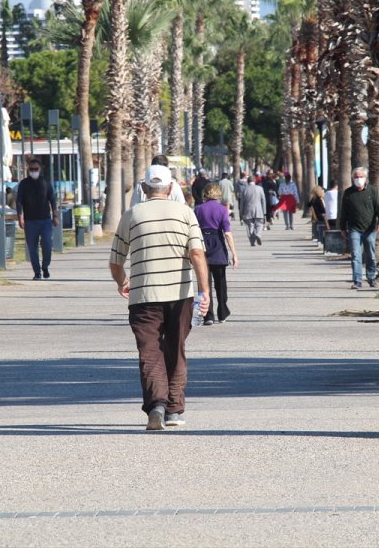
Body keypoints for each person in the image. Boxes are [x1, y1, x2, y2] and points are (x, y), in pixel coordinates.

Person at [109, 165, 210, 430]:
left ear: (143, 188)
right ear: (170, 188)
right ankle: (175, 410)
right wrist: (204, 291)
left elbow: (116, 260)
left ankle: (156, 405)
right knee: (175, 349)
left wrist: (123, 282)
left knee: (149, 352)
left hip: (143, 294)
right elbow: (197, 254)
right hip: (180, 294)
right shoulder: (186, 213)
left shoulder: (132, 214)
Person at [195, 182, 238, 325]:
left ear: (205, 194)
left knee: (204, 283)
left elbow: (193, 231)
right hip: (218, 246)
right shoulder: (221, 210)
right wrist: (234, 254)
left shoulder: (198, 209)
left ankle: (208, 315)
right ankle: (222, 312)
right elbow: (227, 233)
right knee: (220, 284)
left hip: (202, 246)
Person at [339, 166, 379, 289]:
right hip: (354, 229)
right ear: (353, 178)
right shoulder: (348, 193)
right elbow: (343, 212)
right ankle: (357, 281)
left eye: (361, 177)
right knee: (355, 255)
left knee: (371, 254)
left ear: (365, 178)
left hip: (370, 229)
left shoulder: (372, 191)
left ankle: (371, 278)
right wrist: (342, 228)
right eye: (356, 177)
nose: (358, 179)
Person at [16, 158, 58, 280]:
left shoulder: (46, 182)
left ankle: (45, 266)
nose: (33, 171)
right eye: (31, 169)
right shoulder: (23, 184)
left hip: (45, 220)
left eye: (36, 169)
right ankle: (37, 272)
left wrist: (55, 216)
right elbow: (19, 202)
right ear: (28, 170)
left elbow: (52, 200)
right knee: (32, 248)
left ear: (40, 169)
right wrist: (20, 218)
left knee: (47, 243)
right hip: (30, 222)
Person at [240, 174, 267, 246]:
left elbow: (242, 202)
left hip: (248, 210)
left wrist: (241, 213)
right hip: (258, 210)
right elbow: (263, 200)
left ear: (248, 182)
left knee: (249, 226)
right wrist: (264, 212)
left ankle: (252, 242)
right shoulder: (260, 188)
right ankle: (258, 234)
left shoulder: (245, 190)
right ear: (254, 181)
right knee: (259, 224)